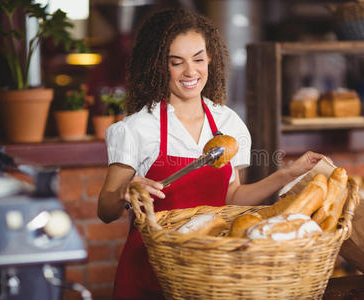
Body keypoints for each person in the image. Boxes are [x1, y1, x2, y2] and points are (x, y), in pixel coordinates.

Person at [97, 8, 326, 300]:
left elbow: (232, 198)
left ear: (210, 59)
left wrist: (287, 174)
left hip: (209, 271)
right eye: (176, 62)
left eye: (198, 58)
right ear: (156, 65)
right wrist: (124, 193)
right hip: (150, 270)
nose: (191, 71)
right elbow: (105, 211)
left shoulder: (229, 124)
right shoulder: (138, 128)